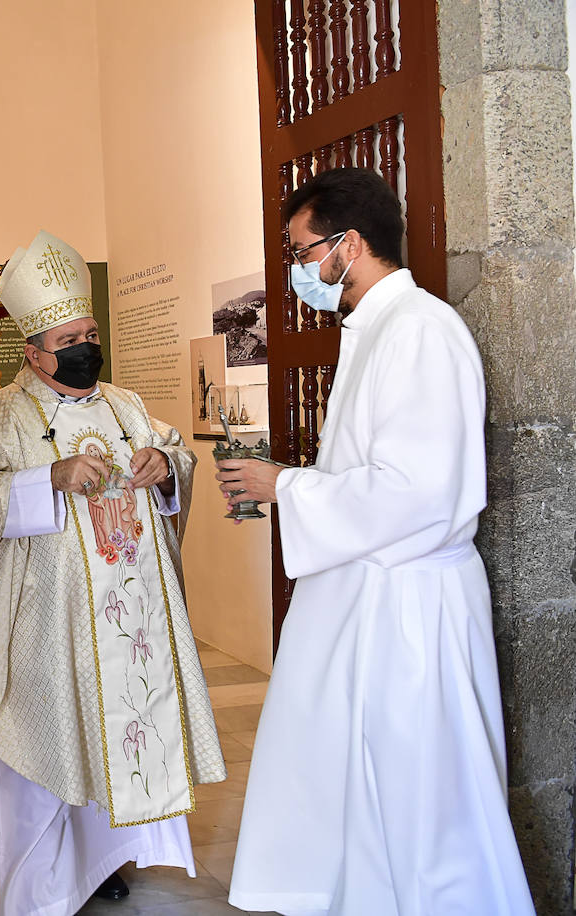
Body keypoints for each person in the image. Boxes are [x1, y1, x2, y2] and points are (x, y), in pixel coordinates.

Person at [217, 168, 536, 915]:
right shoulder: (374, 329)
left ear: (348, 245)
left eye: (302, 251)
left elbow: (416, 492)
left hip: (412, 611)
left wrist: (284, 487)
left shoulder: (422, 330)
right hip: (374, 601)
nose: (297, 271)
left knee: (424, 803)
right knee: (365, 789)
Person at [0, 230, 226, 915]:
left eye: (90, 332)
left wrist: (164, 472)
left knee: (108, 735)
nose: (85, 347)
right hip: (43, 620)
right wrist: (47, 479)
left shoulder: (125, 407)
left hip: (124, 619)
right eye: (69, 338)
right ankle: (40, 886)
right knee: (47, 746)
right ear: (34, 351)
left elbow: (175, 458)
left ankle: (100, 863)